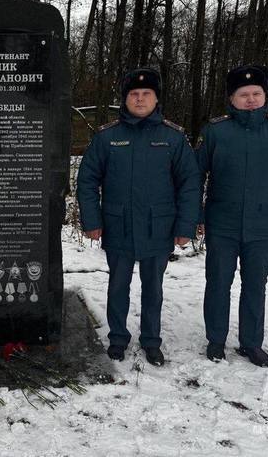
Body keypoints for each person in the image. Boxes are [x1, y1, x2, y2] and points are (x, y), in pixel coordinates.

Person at [77, 69, 200, 366]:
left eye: (146, 94)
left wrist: (185, 226)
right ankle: (118, 338)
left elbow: (189, 183)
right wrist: (92, 221)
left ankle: (151, 340)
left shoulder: (173, 137)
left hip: (158, 226)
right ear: (125, 99)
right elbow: (87, 180)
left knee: (153, 288)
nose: (140, 99)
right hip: (118, 225)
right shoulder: (108, 137)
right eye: (134, 94)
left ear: (156, 99)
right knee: (118, 286)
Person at [197, 64, 268, 367]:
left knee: (256, 284)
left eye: (256, 93)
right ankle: (216, 339)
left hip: (262, 224)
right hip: (222, 222)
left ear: (264, 95)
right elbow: (195, 174)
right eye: (244, 94)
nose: (251, 99)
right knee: (218, 281)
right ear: (232, 98)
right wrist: (198, 215)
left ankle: (251, 343)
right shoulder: (216, 131)